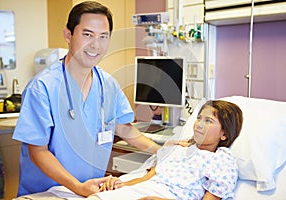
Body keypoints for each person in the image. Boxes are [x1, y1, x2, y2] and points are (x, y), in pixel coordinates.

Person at [12, 1, 160, 198]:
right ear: (68, 35)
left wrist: (163, 152)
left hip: (89, 192)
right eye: (87, 34)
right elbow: (38, 151)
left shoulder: (108, 85)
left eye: (103, 37)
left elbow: (124, 128)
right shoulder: (42, 88)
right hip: (46, 193)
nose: (95, 45)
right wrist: (77, 187)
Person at [88, 100, 243, 200]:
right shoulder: (179, 149)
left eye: (208, 121)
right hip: (146, 190)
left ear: (224, 134)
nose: (199, 125)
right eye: (199, 118)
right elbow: (147, 178)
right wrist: (120, 185)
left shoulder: (222, 160)